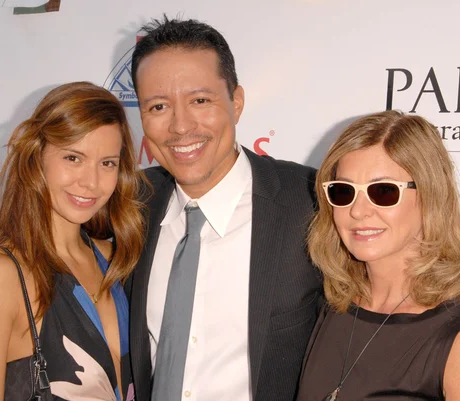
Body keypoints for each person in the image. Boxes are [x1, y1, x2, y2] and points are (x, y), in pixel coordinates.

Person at [128, 16, 322, 401]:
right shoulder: (129, 204)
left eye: (200, 101)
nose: (181, 126)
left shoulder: (310, 202)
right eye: (159, 106)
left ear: (236, 102)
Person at [297, 110, 460, 401]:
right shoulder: (332, 308)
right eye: (344, 191)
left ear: (430, 197)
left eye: (383, 191)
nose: (357, 211)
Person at [0, 82, 145, 401]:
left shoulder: (117, 261)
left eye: (107, 163)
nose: (91, 182)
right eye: (73, 158)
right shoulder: (1, 276)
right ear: (37, 156)